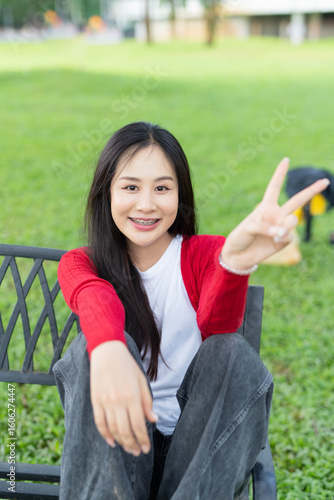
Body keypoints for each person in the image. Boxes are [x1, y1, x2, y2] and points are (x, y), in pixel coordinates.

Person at [53, 121, 330, 500]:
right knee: (88, 349)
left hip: (198, 453)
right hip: (116, 453)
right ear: (106, 192)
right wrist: (108, 348)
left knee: (232, 352)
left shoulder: (202, 254)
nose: (147, 204)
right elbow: (93, 297)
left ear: (180, 194)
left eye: (162, 188)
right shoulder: (82, 263)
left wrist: (233, 265)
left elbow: (217, 328)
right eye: (131, 187)